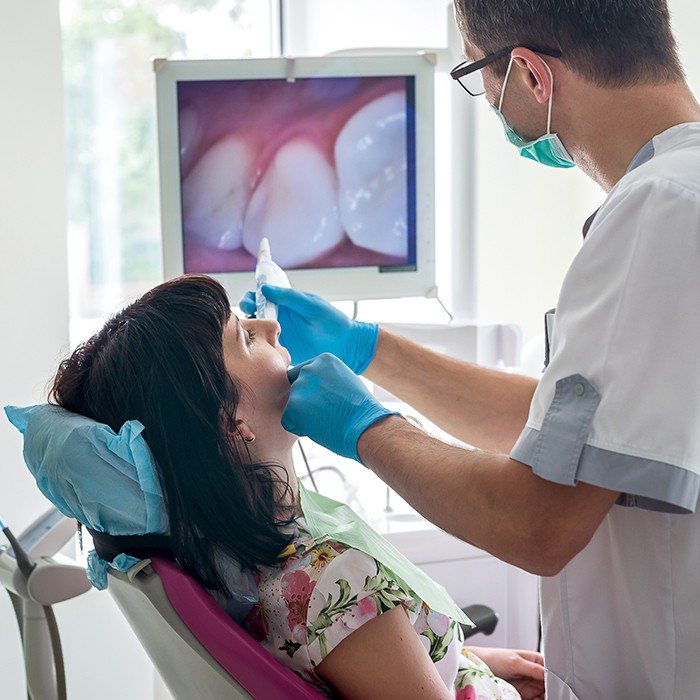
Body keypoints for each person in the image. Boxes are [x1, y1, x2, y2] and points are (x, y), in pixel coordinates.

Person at [240, 1, 700, 698]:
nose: (485, 97)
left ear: (530, 73)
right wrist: (369, 350)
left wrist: (368, 429)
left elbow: (539, 524)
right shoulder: (676, 198)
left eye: (475, 71)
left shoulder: (660, 212)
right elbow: (572, 437)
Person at [48, 275, 545, 700]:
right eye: (245, 338)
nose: (271, 326)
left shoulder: (240, 571)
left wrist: (470, 664)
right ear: (230, 422)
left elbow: (349, 661)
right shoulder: (333, 578)